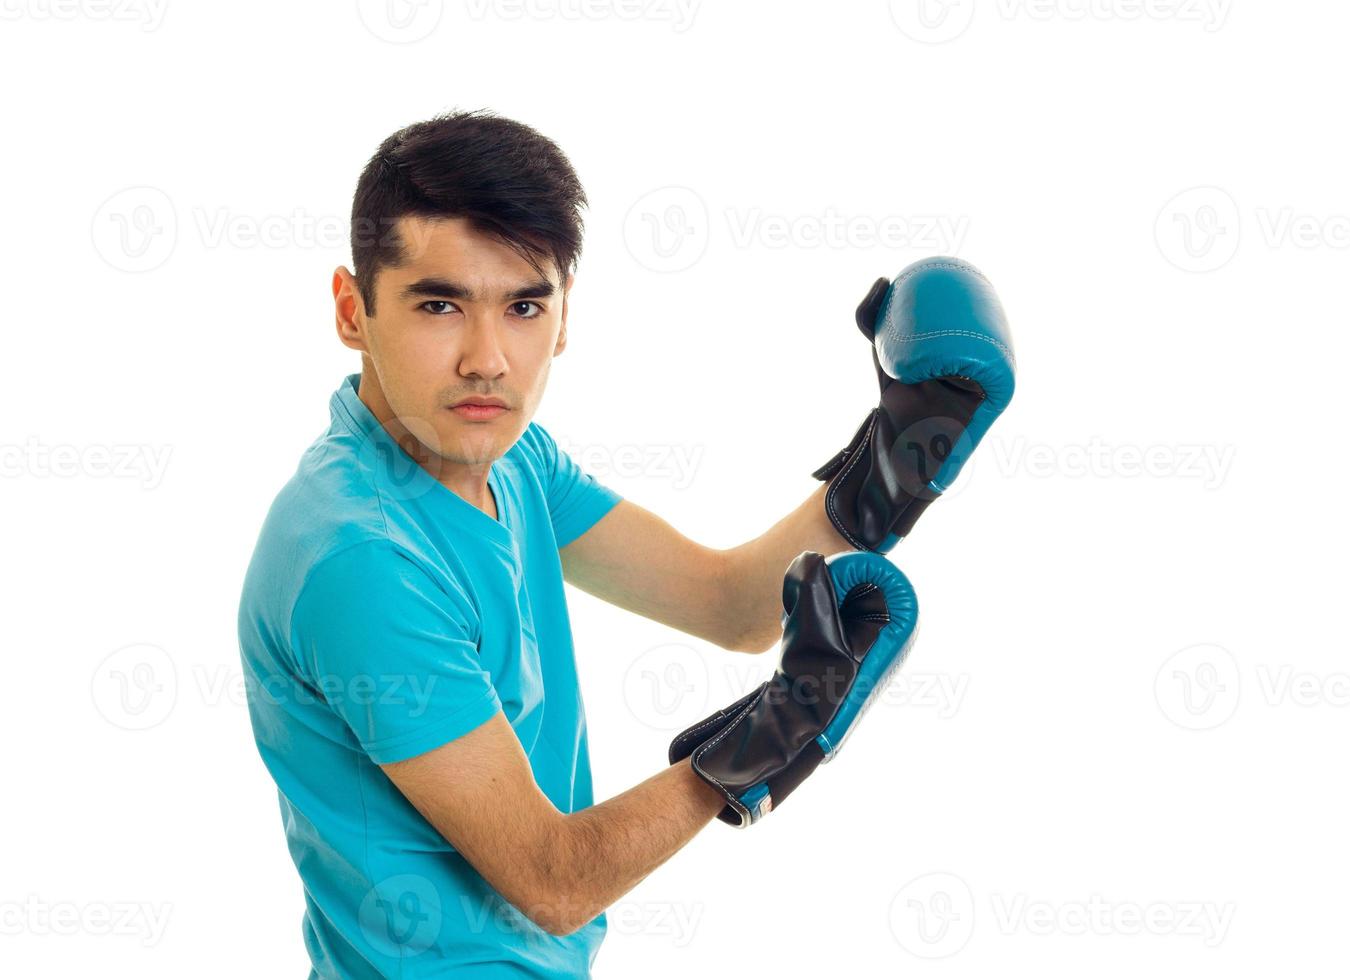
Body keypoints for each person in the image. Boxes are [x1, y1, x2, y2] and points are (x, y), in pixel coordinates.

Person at [236, 109, 906, 977]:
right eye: (439, 304)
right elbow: (551, 881)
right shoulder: (360, 557)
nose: (487, 360)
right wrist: (766, 738)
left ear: (563, 317)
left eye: (522, 305)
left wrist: (897, 458)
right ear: (352, 310)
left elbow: (731, 602)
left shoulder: (515, 464)